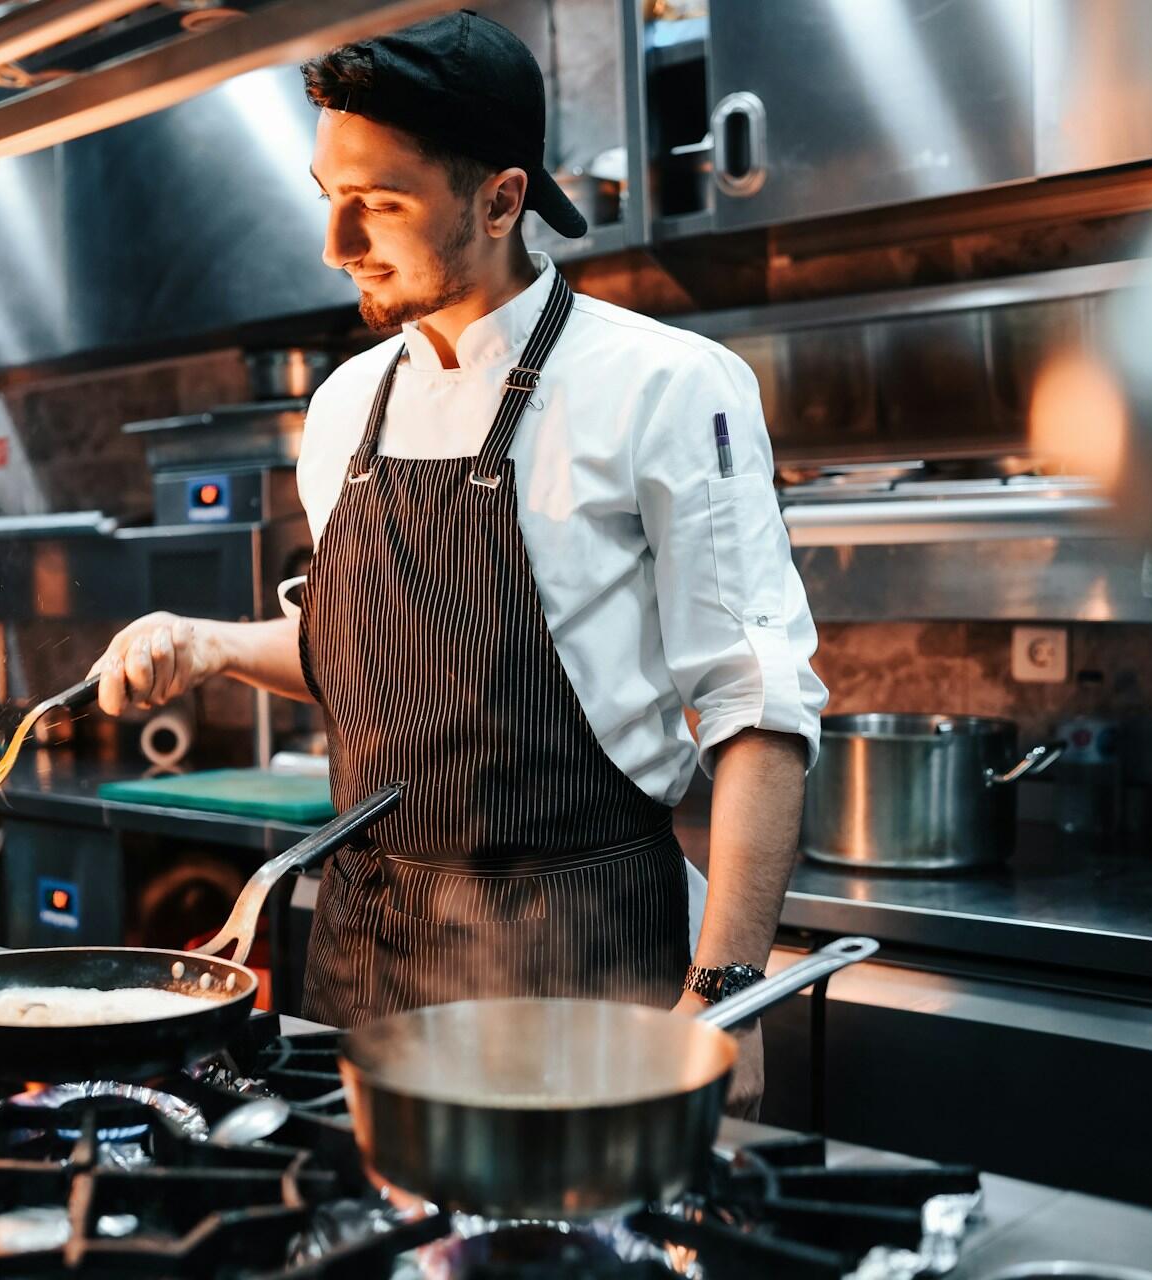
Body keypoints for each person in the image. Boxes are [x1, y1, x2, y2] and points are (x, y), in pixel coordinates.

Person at [90, 11, 826, 1112]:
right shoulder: (346, 406)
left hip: (587, 966)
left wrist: (726, 992)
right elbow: (366, 653)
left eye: (379, 202)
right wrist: (210, 645)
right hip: (366, 960)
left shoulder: (668, 385)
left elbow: (757, 708)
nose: (337, 240)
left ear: (499, 198)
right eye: (326, 192)